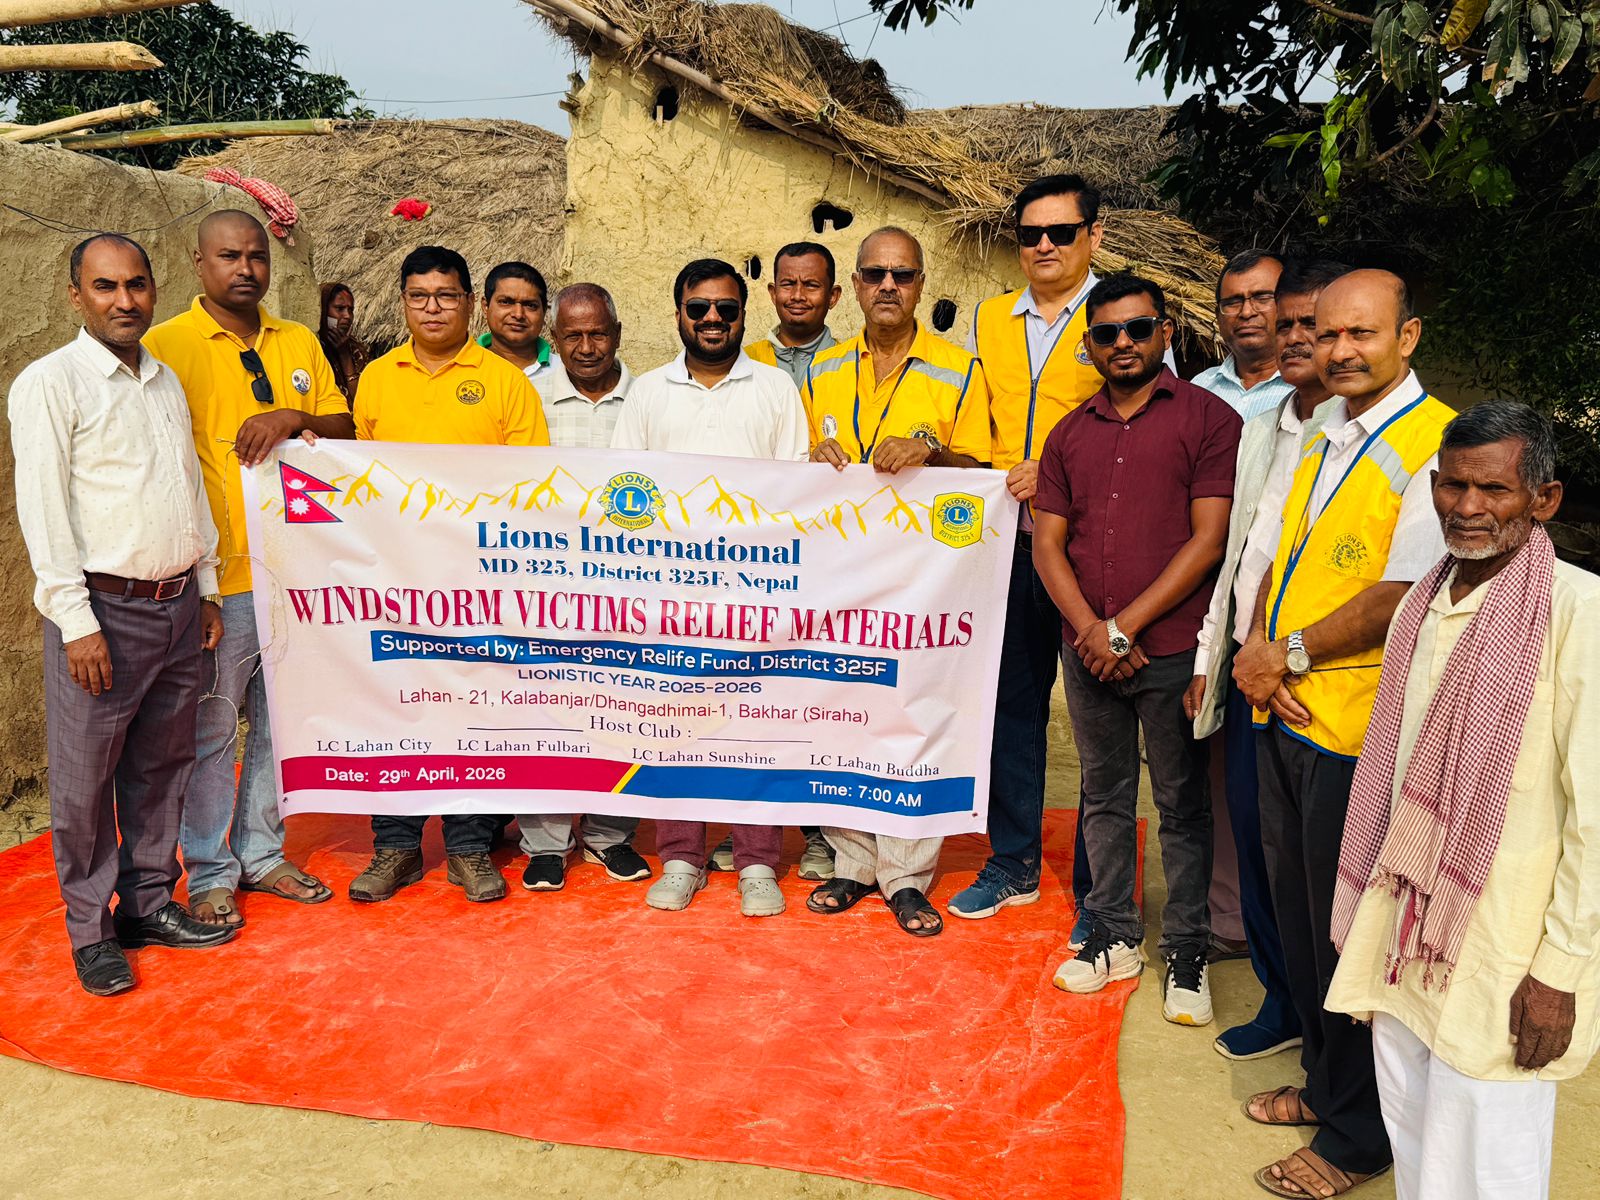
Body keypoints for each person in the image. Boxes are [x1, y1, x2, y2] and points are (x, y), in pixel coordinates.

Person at [1322, 402, 1599, 1200]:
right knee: (1416, 1137)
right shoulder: (1422, 603)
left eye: (1494, 490)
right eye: (1452, 486)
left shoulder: (1577, 612)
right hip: (1406, 932)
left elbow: (1594, 817)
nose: (1468, 507)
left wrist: (1560, 973)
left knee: (1492, 1157)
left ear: (1543, 499)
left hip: (1506, 950)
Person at [1232, 268, 1454, 1198]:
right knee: (1300, 919)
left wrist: (1286, 655)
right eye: (1327, 334)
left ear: (1408, 336)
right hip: (1286, 711)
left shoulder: (1434, 442)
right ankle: (1329, 1087)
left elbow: (1403, 591)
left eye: (1362, 333)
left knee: (1348, 935)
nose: (1340, 351)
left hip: (1356, 731)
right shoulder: (1325, 428)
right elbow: (1275, 552)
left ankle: (1360, 1137)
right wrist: (1256, 650)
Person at [9, 234, 235, 995]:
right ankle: (91, 931)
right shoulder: (51, 383)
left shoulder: (163, 380)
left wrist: (206, 586)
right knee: (85, 783)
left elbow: (187, 488)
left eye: (136, 284)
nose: (124, 300)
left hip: (178, 606)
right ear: (76, 294)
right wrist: (76, 622)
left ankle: (146, 905)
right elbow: (44, 510)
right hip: (103, 614)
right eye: (105, 286)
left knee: (161, 767)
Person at [1035, 274, 1240, 1022]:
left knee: (1182, 804)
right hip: (1087, 652)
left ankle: (1185, 948)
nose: (1123, 343)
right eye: (1107, 333)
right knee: (1104, 797)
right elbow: (1049, 545)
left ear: (1165, 334)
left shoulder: (1209, 419)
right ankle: (1113, 934)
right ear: (1089, 345)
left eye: (1138, 328)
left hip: (1171, 650)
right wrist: (1092, 630)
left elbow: (1208, 540)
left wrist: (1121, 629)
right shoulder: (1068, 433)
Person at [144, 209, 354, 929]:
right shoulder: (165, 346)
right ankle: (209, 871)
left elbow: (344, 430)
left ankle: (262, 854)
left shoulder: (297, 340)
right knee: (210, 731)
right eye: (229, 256)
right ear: (198, 263)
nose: (245, 269)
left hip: (295, 574)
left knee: (279, 726)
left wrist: (294, 416)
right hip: (218, 581)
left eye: (256, 256)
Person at [801, 227, 992, 938]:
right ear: (853, 285)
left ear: (920, 285)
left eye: (902, 275)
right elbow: (797, 473)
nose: (888, 286)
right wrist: (811, 459)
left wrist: (931, 452)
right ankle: (853, 862)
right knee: (845, 712)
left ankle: (907, 876)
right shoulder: (821, 370)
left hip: (924, 584)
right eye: (875, 274)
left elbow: (985, 471)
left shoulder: (958, 370)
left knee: (917, 717)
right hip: (841, 577)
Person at [347, 245, 552, 904]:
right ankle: (396, 847)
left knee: (475, 712)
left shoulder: (506, 383)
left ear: (468, 303)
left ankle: (468, 848)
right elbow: (360, 480)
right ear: (404, 302)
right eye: (419, 296)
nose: (432, 308)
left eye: (445, 296)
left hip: (479, 584)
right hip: (396, 580)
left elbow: (531, 488)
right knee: (395, 710)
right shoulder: (377, 378)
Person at [1181, 260, 1347, 1061]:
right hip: (1250, 673)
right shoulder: (1262, 429)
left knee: (1318, 863)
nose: (1296, 337)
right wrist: (1213, 656)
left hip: (1321, 687)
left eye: (1314, 324)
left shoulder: (1362, 438)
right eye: (1288, 325)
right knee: (1255, 842)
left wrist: (1291, 657)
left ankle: (1331, 1037)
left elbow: (1382, 586)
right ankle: (1283, 1002)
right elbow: (1239, 559)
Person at [611, 257, 807, 918]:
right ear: (679, 315)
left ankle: (757, 862)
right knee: (676, 724)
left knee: (755, 723)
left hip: (755, 591)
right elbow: (623, 494)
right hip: (669, 594)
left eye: (726, 308)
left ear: (743, 315)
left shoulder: (775, 389)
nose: (713, 319)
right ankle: (681, 858)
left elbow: (796, 493)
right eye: (700, 308)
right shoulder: (648, 393)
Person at [949, 173, 1108, 923]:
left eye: (1061, 232)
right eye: (1031, 234)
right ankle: (1012, 862)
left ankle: (1100, 884)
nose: (1045, 245)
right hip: (1006, 550)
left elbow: (1147, 430)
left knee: (1099, 716)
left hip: (1089, 552)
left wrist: (1059, 472)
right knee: (1011, 707)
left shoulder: (1119, 318)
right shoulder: (990, 320)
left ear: (1094, 237)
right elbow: (970, 420)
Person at [513, 281, 650, 891]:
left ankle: (609, 836)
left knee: (625, 710)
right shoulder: (528, 397)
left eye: (599, 334)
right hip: (546, 586)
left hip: (632, 589)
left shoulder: (649, 399)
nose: (588, 347)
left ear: (618, 334)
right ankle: (544, 842)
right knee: (545, 713)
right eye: (573, 336)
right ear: (555, 338)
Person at [1193, 250, 1295, 424]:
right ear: (1218, 316)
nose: (1246, 312)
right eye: (1233, 302)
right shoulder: (1200, 387)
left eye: (1262, 298)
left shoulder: (1311, 389)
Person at [744, 240, 841, 387]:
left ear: (832, 296)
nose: (797, 296)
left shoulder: (853, 364)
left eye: (811, 285)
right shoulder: (746, 362)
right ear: (774, 293)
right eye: (788, 284)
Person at [477, 260, 555, 386]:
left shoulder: (567, 374)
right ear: (486, 306)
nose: (518, 314)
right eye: (506, 302)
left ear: (544, 311)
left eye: (530, 305)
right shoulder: (460, 368)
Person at [317, 281, 368, 404]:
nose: (347, 316)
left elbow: (362, 401)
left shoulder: (357, 350)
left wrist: (345, 356)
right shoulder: (313, 347)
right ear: (322, 309)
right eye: (340, 308)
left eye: (350, 310)